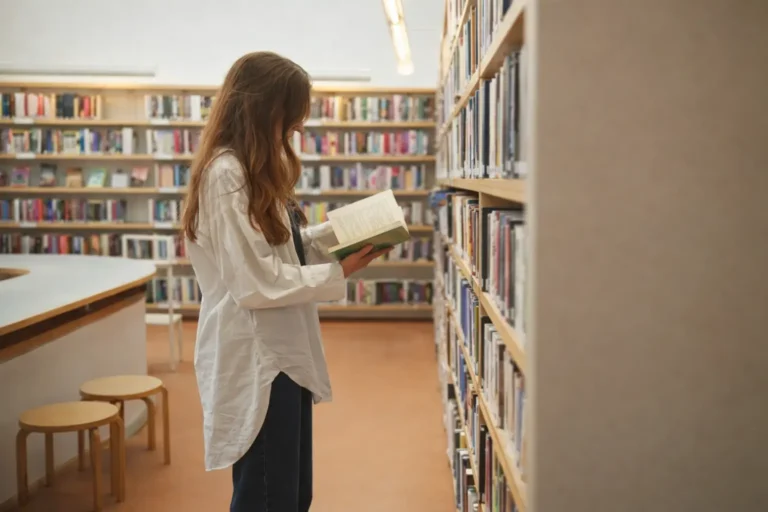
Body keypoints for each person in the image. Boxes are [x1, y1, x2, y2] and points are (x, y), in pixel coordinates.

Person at [180, 51, 390, 512]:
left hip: (284, 356)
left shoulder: (254, 171)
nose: (295, 132)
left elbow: (281, 249)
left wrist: (343, 236)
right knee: (269, 495)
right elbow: (255, 282)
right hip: (260, 358)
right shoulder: (226, 175)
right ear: (262, 109)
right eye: (289, 121)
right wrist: (340, 271)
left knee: (293, 494)